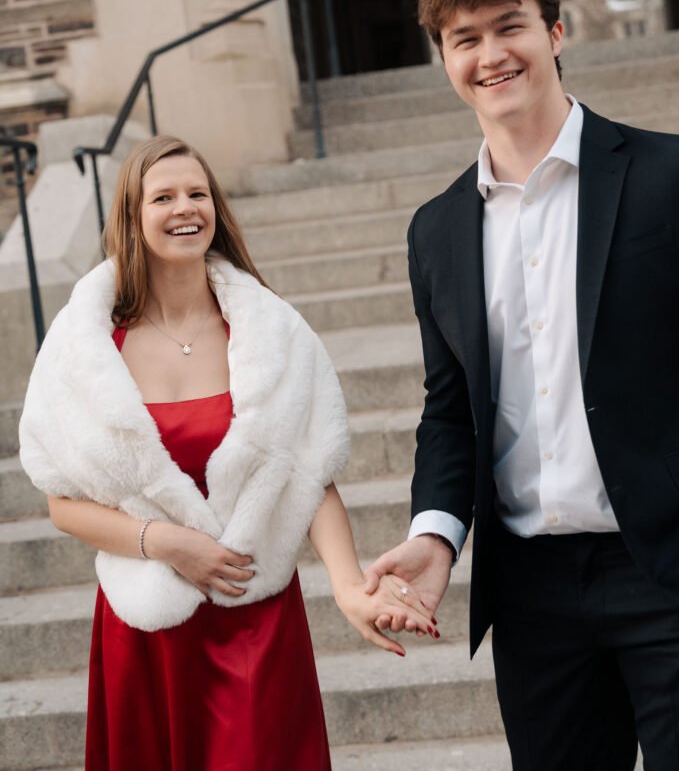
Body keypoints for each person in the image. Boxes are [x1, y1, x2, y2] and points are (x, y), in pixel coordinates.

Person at [19, 135, 434, 771]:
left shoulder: (271, 330)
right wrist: (165, 542)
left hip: (256, 617)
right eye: (163, 197)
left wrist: (351, 587)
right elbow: (62, 503)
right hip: (147, 628)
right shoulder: (86, 345)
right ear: (132, 216)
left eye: (198, 193)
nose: (185, 207)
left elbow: (308, 472)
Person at [364, 0, 679, 769]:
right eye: (464, 39)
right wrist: (435, 537)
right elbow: (448, 410)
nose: (490, 55)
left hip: (666, 566)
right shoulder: (435, 230)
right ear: (444, 60)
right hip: (531, 594)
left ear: (554, 33)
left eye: (509, 28)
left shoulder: (668, 175)